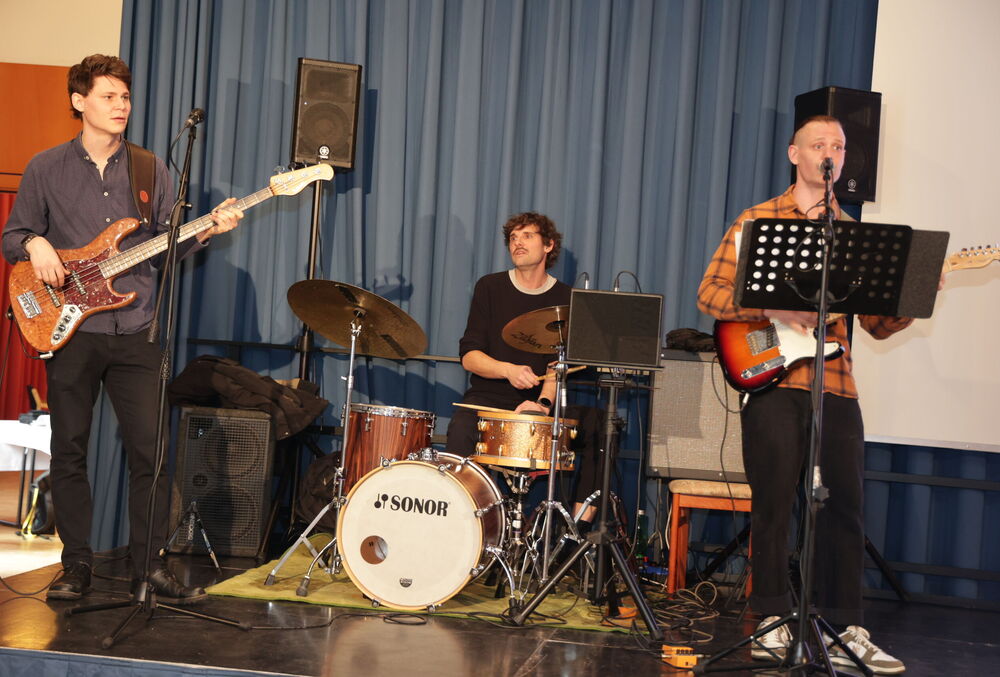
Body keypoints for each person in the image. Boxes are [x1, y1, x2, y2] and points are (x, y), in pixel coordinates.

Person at [2, 54, 243, 604]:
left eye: (125, 97)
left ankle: (148, 567)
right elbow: (13, 236)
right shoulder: (45, 167)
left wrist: (209, 228)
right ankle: (76, 566)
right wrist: (36, 244)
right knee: (69, 450)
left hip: (137, 329)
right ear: (79, 101)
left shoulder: (149, 169)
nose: (120, 106)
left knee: (150, 455)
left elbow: (166, 247)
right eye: (108, 96)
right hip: (70, 330)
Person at [697, 115, 907, 674]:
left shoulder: (856, 233)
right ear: (795, 154)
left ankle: (847, 630)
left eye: (838, 145)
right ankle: (770, 619)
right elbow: (710, 292)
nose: (830, 153)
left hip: (836, 386)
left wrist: (911, 294)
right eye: (819, 144)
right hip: (774, 379)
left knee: (845, 508)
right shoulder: (757, 219)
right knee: (772, 505)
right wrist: (771, 307)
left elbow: (879, 324)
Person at [444, 212, 571, 455]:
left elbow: (557, 365)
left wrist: (542, 405)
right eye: (513, 238)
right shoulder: (490, 287)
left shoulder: (565, 297)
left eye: (527, 236)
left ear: (548, 245)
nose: (518, 242)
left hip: (536, 400)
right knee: (460, 429)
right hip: (485, 399)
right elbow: (469, 357)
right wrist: (508, 370)